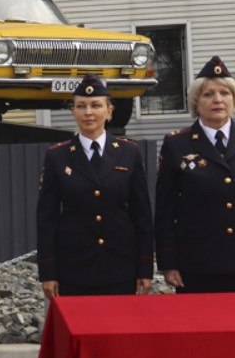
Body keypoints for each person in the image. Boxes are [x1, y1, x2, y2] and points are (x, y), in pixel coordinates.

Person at [155, 56, 235, 293]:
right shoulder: (177, 144)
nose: (218, 99)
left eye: (225, 93)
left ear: (234, 99)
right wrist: (168, 262)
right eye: (208, 94)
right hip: (196, 261)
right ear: (196, 101)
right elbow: (165, 208)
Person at [36, 74, 154, 298]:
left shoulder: (129, 153)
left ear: (109, 111)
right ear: (73, 112)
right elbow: (46, 219)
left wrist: (145, 268)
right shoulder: (57, 156)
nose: (88, 112)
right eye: (81, 106)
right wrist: (48, 272)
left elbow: (142, 216)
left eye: (95, 105)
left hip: (121, 266)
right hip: (74, 268)